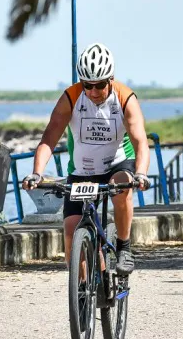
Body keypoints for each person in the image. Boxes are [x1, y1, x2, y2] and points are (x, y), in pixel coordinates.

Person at [22, 43, 151, 275]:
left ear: (111, 79)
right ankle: (85, 292)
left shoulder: (125, 98)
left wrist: (141, 173)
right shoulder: (71, 98)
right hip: (82, 171)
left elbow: (140, 141)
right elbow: (49, 138)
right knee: (72, 232)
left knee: (120, 187)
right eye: (87, 85)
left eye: (99, 85)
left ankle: (124, 247)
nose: (93, 91)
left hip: (117, 164)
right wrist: (37, 172)